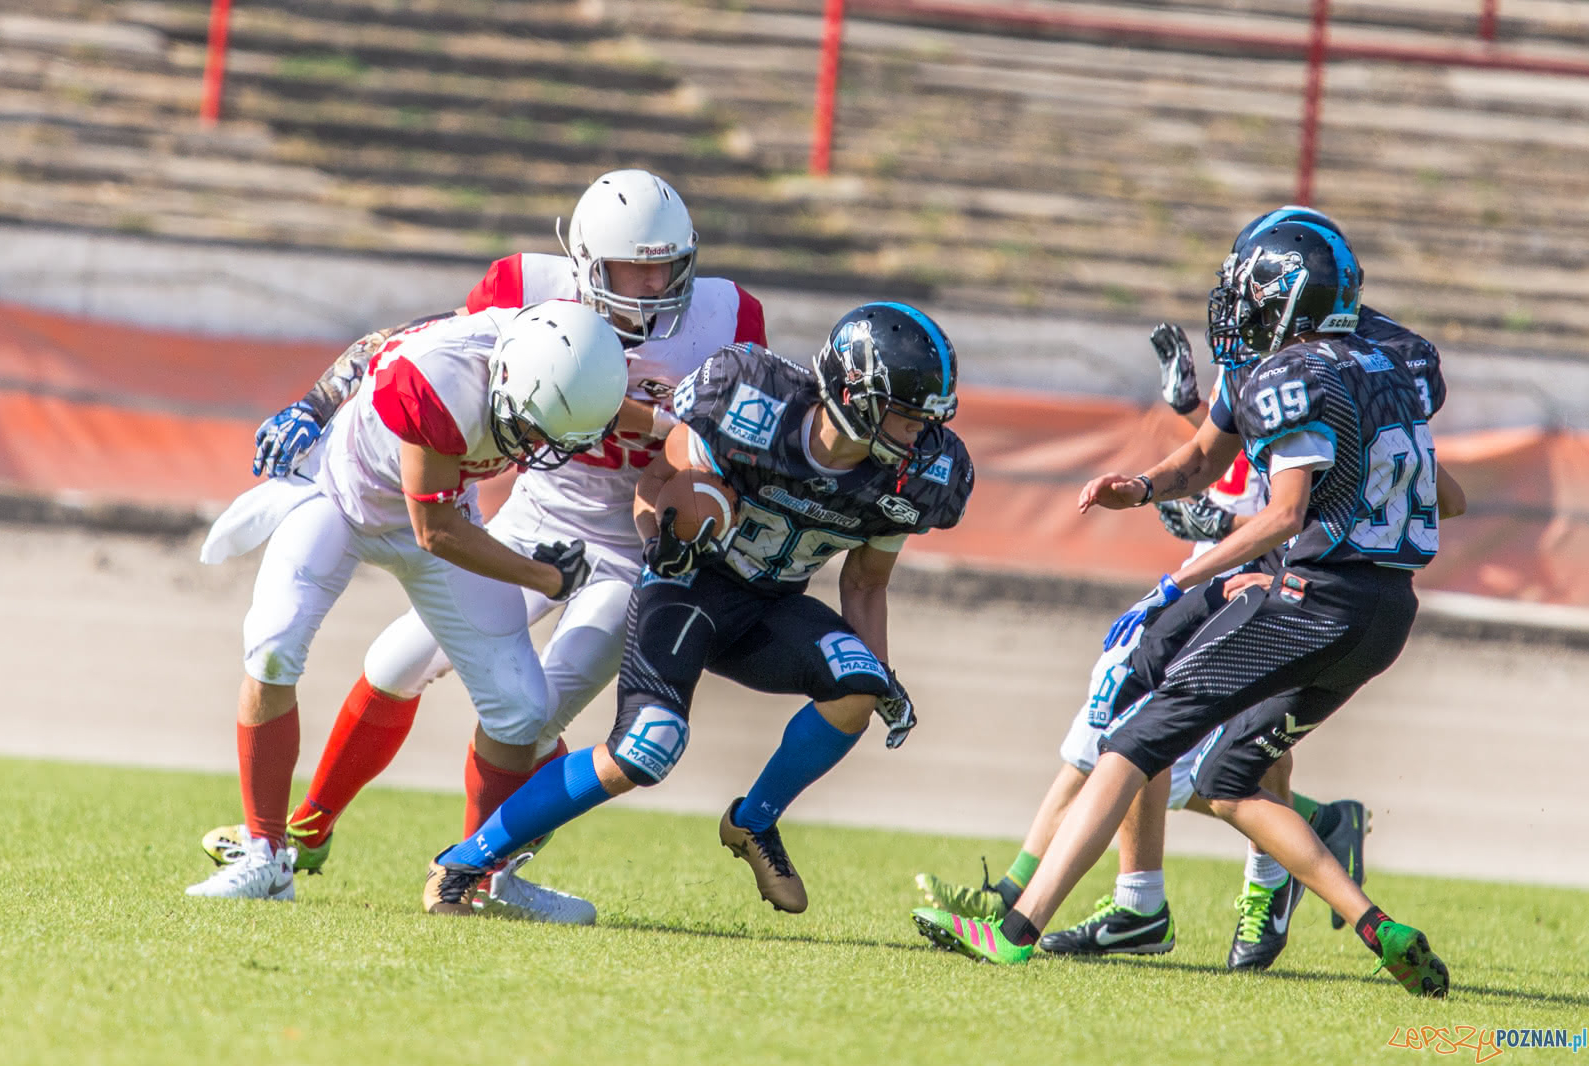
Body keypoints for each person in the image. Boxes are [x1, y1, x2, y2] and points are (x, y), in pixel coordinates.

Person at [198, 170, 768, 922]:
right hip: (536, 512)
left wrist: (687, 484)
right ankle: (304, 832)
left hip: (633, 546)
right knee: (396, 661)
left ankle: (479, 874)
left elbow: (732, 442)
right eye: (634, 265)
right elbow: (403, 348)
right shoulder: (523, 288)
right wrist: (317, 402)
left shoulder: (728, 318)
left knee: (535, 713)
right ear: (589, 260)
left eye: (667, 264)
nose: (654, 283)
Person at [913, 219, 1455, 998]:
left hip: (1310, 595)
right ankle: (1380, 928)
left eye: (1250, 292)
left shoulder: (1289, 374)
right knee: (1235, 779)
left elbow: (1285, 513)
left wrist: (1189, 571)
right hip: (1385, 614)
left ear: (1287, 300)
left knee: (1133, 739)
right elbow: (1437, 490)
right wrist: (1140, 487)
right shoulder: (1388, 362)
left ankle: (1018, 927)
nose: (1232, 305)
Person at [419, 301, 973, 917]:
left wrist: (883, 671)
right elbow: (656, 486)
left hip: (770, 609)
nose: (923, 437)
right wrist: (666, 541)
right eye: (907, 417)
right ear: (855, 395)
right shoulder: (751, 399)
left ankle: (753, 822)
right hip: (687, 588)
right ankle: (464, 861)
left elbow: (866, 584)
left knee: (860, 684)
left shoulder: (916, 479)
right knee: (647, 747)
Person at [186, 300, 628, 902]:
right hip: (340, 496)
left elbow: (438, 513)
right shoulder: (438, 375)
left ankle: (476, 877)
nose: (533, 447)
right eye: (528, 428)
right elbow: (435, 532)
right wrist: (545, 578)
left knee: (521, 708)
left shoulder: (533, 352)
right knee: (272, 644)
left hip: (437, 511)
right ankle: (266, 857)